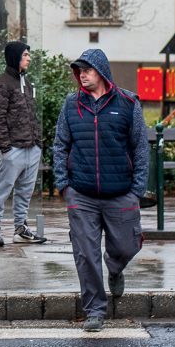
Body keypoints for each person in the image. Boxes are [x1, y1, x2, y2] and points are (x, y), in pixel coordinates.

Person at [53, 48, 149, 332]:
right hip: (81, 194)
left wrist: (137, 190)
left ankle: (116, 267)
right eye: (78, 70)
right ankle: (95, 309)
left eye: (87, 70)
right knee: (85, 253)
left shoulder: (128, 103)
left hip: (121, 193)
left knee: (126, 245)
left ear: (102, 72)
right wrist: (64, 185)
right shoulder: (72, 105)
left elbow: (140, 148)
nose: (82, 75)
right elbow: (60, 145)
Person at [0, 41, 47, 246]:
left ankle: (20, 229)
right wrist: (5, 148)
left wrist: (37, 143)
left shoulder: (26, 83)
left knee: (25, 192)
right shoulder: (2, 84)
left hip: (31, 148)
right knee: (2, 190)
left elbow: (30, 114)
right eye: (25, 55)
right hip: (12, 149)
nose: (29, 58)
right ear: (15, 57)